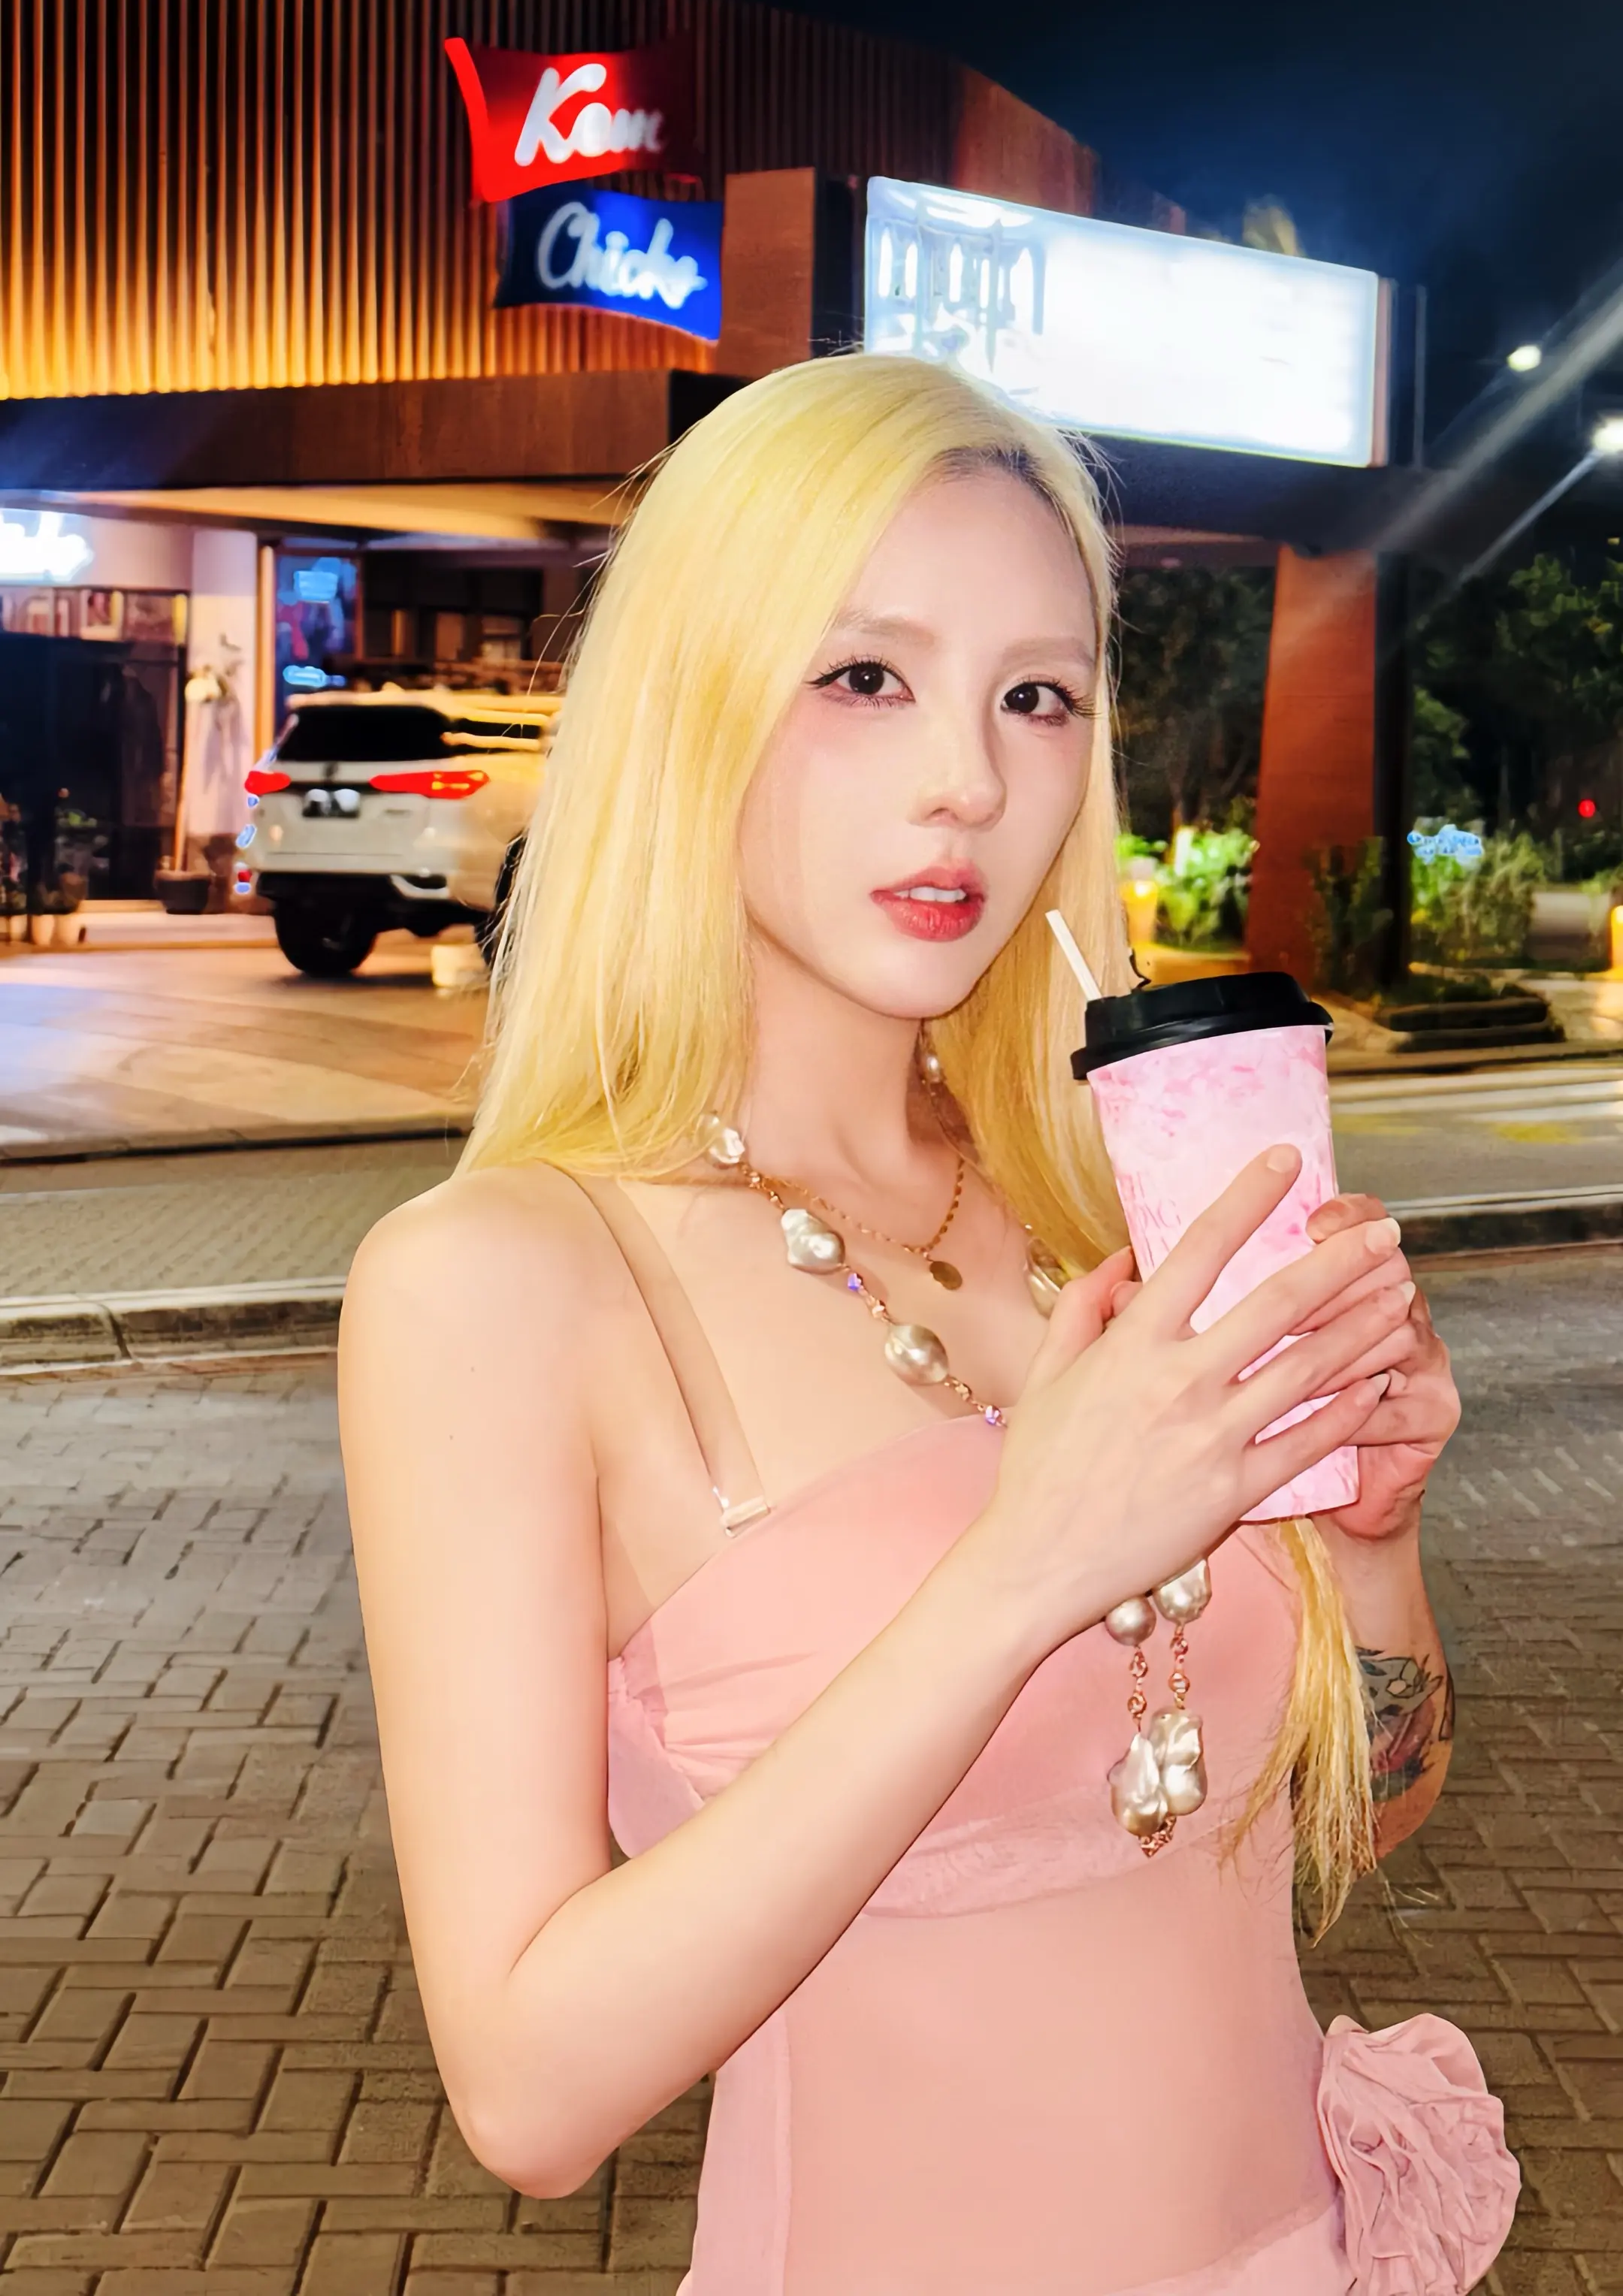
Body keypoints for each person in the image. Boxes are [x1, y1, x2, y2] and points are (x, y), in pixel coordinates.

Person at [340, 354, 1517, 2296]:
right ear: (690, 705)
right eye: (866, 676)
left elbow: (1349, 1823)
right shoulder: (503, 1283)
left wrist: (1373, 1540)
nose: (969, 776)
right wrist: (1023, 1567)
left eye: (1035, 696)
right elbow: (531, 2095)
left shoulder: (1106, 1205)